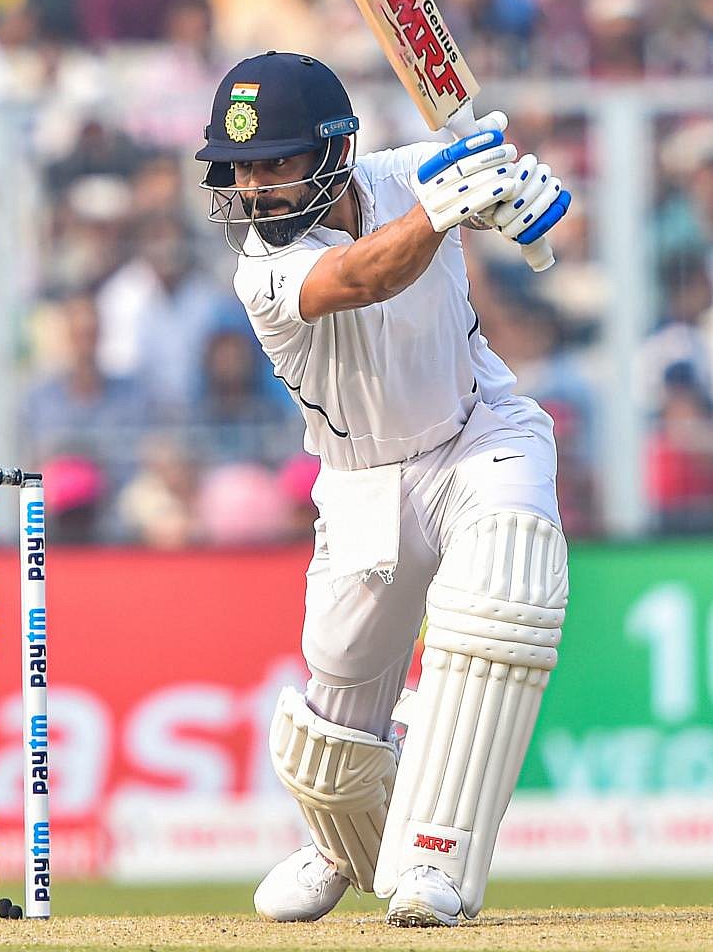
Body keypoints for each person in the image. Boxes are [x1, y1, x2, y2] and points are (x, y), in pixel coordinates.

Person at [195, 52, 572, 927]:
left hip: (480, 432)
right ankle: (342, 845)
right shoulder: (263, 271)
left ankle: (436, 860)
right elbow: (365, 276)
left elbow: (501, 197)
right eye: (240, 169)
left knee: (504, 590)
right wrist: (448, 211)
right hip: (362, 482)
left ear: (334, 151)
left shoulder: (408, 173)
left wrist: (520, 200)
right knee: (333, 742)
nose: (254, 188)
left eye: (274, 163)